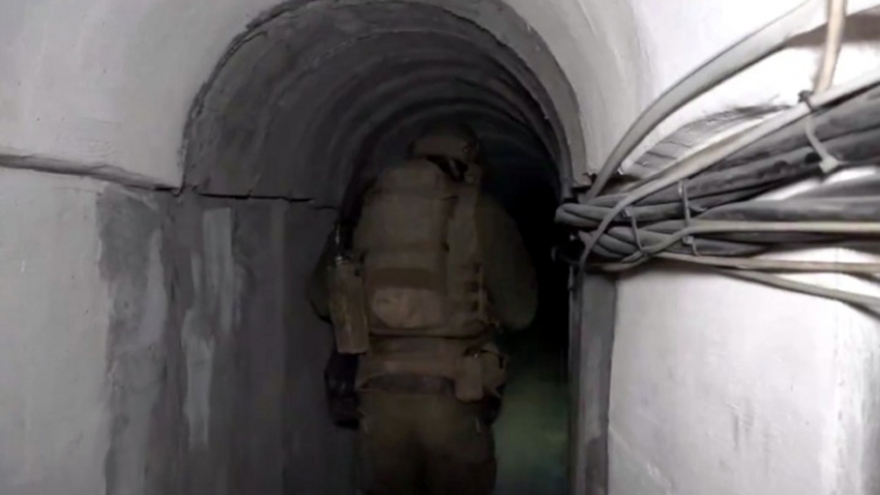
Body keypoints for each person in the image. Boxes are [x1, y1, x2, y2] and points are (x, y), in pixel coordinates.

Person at [308, 123, 537, 495]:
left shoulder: (367, 211)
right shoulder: (479, 211)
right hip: (455, 398)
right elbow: (521, 311)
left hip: (378, 397)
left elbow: (322, 298)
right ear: (470, 163)